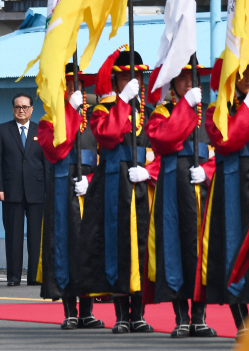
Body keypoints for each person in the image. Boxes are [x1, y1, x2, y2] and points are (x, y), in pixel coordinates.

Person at [78, 46, 157, 333]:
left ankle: (140, 313)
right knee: (117, 246)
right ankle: (122, 314)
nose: (133, 82)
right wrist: (123, 101)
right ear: (115, 82)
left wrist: (150, 170)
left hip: (142, 183)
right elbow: (108, 136)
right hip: (113, 183)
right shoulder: (103, 109)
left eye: (137, 77)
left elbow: (160, 149)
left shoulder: (149, 112)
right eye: (125, 78)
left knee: (141, 248)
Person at [144, 61, 217, 337]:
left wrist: (208, 170)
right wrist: (186, 106)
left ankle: (199, 316)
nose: (189, 83)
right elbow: (164, 140)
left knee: (200, 251)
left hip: (200, 186)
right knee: (174, 248)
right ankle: (181, 317)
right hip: (174, 184)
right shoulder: (162, 112)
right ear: (173, 83)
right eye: (183, 78)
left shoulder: (209, 112)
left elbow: (222, 146)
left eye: (192, 78)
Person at [37, 63, 104, 329]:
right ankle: (70, 311)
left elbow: (103, 156)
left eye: (78, 85)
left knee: (87, 248)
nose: (76, 90)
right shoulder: (48, 121)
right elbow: (56, 151)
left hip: (87, 189)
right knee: (64, 247)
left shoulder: (93, 121)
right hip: (62, 192)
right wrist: (69, 111)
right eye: (69, 85)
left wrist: (91, 181)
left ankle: (87, 310)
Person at [196, 61, 249, 339]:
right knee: (232, 253)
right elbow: (228, 140)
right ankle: (244, 325)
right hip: (232, 185)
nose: (248, 77)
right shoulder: (217, 109)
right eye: (243, 72)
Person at [0, 93, 46, 286]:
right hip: (11, 191)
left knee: (35, 237)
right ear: (13, 109)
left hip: (37, 191)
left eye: (25, 106)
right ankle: (13, 277)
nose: (21, 110)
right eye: (17, 107)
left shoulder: (42, 130)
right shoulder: (2, 130)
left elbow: (47, 162)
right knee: (13, 236)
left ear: (31, 109)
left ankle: (34, 277)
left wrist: (49, 189)